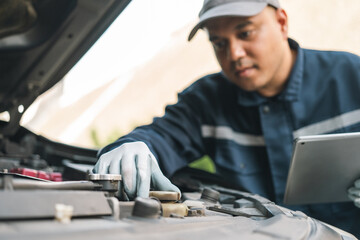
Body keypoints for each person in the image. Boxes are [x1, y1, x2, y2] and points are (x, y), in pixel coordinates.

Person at [93, 0, 360, 237]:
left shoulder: (351, 78)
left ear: (281, 22)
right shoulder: (206, 102)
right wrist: (129, 148)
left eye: (245, 33)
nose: (234, 54)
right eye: (219, 43)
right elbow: (159, 136)